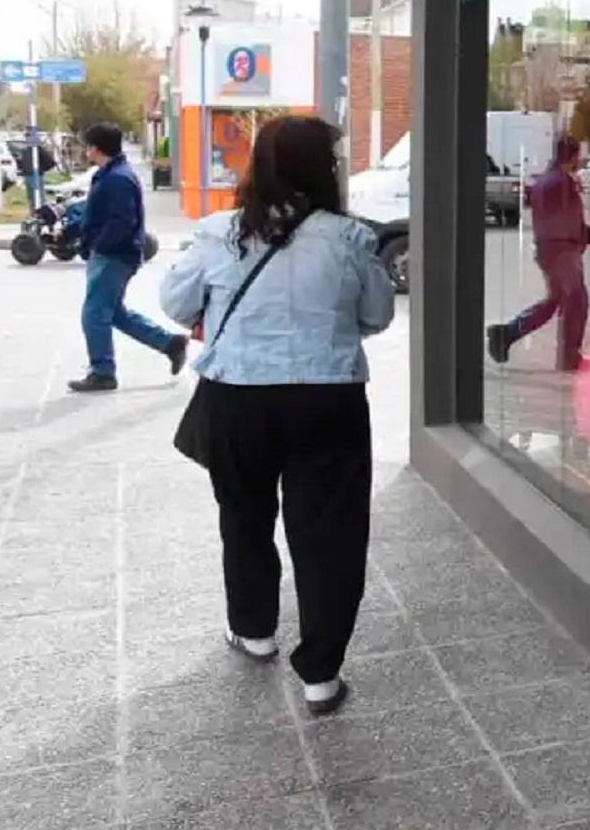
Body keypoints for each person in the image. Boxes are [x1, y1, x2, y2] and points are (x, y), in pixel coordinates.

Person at [160, 115, 396, 716]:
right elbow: (376, 316)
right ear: (324, 169)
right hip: (327, 401)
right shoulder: (350, 239)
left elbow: (175, 302)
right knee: (330, 536)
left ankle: (255, 630)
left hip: (238, 399)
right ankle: (322, 674)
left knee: (243, 515)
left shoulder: (218, 234)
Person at [69, 123, 188, 394]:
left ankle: (103, 372)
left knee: (94, 314)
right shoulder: (109, 173)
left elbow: (122, 222)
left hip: (114, 255)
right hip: (110, 253)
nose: (86, 150)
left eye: (88, 145)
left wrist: (99, 246)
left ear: (95, 148)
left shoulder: (118, 178)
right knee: (115, 313)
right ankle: (170, 343)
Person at [487, 135, 590, 371]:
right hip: (562, 251)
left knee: (556, 300)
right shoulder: (562, 183)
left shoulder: (546, 181)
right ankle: (569, 357)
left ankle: (508, 333)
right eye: (577, 154)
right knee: (576, 301)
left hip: (550, 249)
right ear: (571, 155)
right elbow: (570, 222)